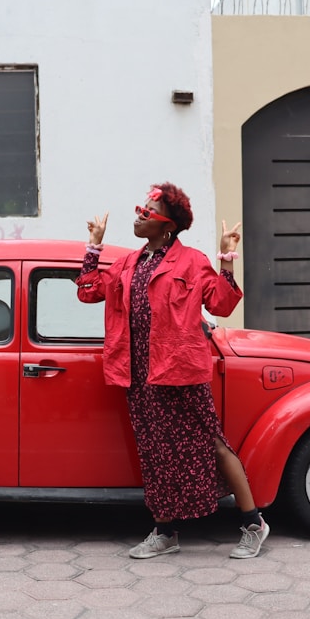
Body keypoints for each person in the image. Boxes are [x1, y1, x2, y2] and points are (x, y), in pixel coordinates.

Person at [77, 183, 269, 559]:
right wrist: (93, 247)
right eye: (140, 208)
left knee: (213, 444)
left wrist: (227, 258)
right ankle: (165, 532)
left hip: (180, 372)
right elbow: (88, 291)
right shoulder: (129, 263)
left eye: (147, 211)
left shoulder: (192, 262)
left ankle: (254, 524)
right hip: (139, 376)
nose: (139, 215)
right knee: (155, 452)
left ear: (167, 227)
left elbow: (222, 303)